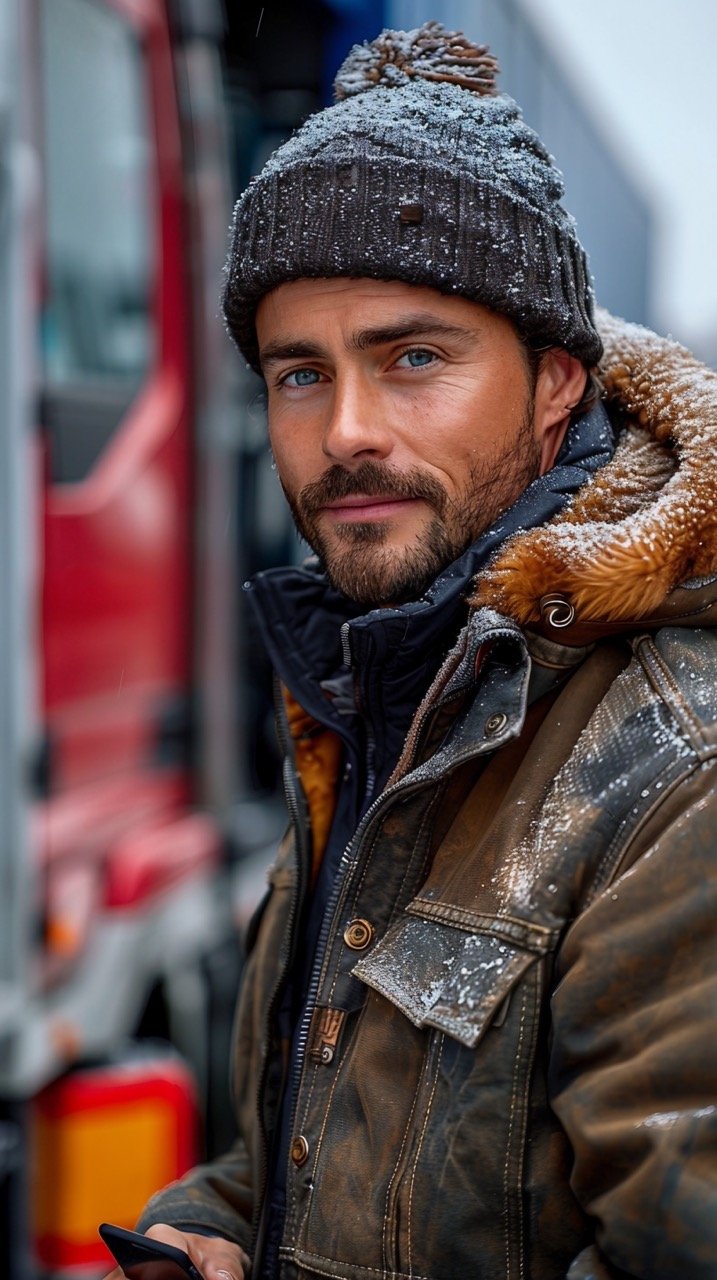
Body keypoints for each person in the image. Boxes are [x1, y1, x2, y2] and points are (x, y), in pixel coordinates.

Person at [108, 22, 717, 1280]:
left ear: (558, 384)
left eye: (414, 358)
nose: (346, 431)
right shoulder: (377, 684)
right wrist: (216, 1224)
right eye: (298, 373)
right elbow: (317, 1145)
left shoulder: (675, 766)